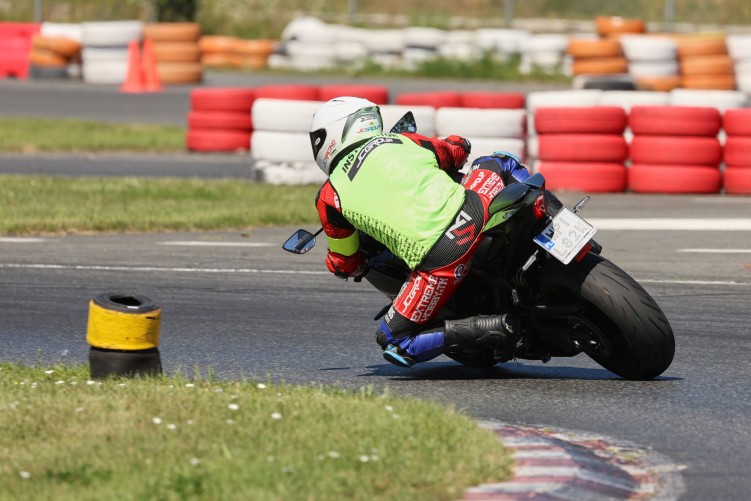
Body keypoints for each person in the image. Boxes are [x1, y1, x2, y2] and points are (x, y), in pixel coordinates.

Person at [309, 96, 531, 368]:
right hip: (475, 208)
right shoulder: (403, 141)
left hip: (443, 259)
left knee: (395, 342)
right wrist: (459, 144)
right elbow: (455, 151)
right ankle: (553, 219)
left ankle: (497, 326)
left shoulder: (329, 196)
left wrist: (341, 266)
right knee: (501, 160)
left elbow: (345, 260)